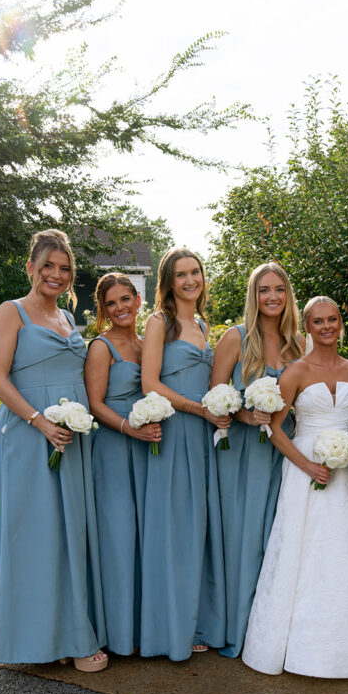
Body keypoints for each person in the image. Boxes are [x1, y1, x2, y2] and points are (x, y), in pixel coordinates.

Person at [242, 297, 348, 678]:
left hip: (344, 470)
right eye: (318, 321)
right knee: (299, 548)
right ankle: (289, 644)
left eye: (333, 319)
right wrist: (306, 465)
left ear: (341, 323)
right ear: (307, 326)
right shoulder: (295, 372)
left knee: (341, 548)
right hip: (303, 465)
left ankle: (343, 649)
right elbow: (272, 426)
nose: (326, 327)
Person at [0, 230, 107, 671]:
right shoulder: (10, 312)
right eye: (49, 266)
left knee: (67, 535)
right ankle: (30, 639)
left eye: (65, 268)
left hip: (70, 440)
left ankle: (71, 631)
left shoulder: (67, 319)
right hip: (27, 435)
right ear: (31, 267)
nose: (56, 275)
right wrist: (40, 423)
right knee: (32, 536)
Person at [211, 262, 303, 658]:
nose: (272, 297)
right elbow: (214, 399)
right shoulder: (235, 338)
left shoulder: (299, 343)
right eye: (264, 289)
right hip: (244, 454)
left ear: (288, 295)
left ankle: (270, 627)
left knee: (276, 536)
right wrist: (245, 415)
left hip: (285, 451)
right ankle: (236, 626)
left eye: (279, 289)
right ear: (254, 294)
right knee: (242, 537)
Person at [139, 248, 225, 660]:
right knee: (174, 528)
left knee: (199, 529)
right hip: (175, 430)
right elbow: (150, 383)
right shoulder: (160, 322)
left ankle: (195, 620)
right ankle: (169, 627)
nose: (190, 280)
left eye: (195, 272)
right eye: (181, 275)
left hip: (205, 435)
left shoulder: (204, 324)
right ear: (168, 282)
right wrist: (197, 409)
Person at [84, 273, 161, 656]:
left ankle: (140, 629)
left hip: (146, 449)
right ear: (103, 309)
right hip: (114, 448)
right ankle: (113, 632)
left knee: (142, 536)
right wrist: (130, 429)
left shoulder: (147, 344)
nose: (120, 308)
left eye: (126, 299)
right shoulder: (101, 347)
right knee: (116, 537)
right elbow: (95, 404)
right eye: (111, 303)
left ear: (138, 299)